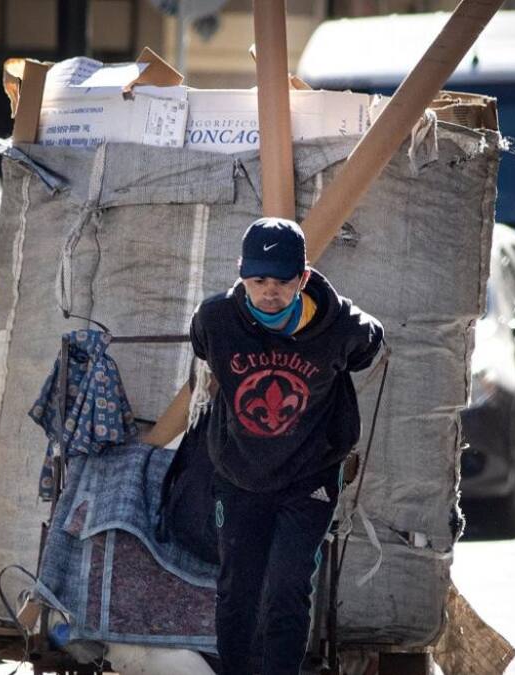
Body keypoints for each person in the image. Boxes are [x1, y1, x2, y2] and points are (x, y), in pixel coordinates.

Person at [189, 217, 384, 674]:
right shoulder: (215, 320)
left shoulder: (341, 327)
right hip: (239, 473)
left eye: (281, 281)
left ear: (304, 278)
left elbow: (370, 345)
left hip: (309, 475)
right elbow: (202, 348)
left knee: (288, 585)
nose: (269, 291)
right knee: (238, 588)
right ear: (241, 274)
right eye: (257, 280)